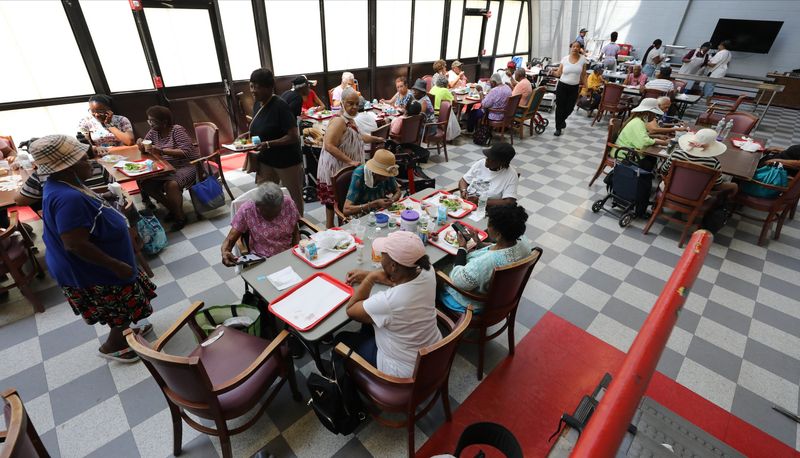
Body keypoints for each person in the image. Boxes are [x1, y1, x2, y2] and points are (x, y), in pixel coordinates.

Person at [31, 135, 156, 363]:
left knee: (118, 307)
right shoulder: (68, 198)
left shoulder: (65, 184)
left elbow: (85, 211)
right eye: (83, 158)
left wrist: (106, 198)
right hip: (92, 269)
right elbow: (75, 243)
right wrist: (115, 265)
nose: (90, 162)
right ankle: (115, 346)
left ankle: (126, 334)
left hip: (98, 264)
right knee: (118, 310)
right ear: (68, 167)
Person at [342, 231, 441, 378]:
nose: (381, 257)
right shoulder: (428, 270)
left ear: (393, 266)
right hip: (432, 352)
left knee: (341, 341)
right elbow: (404, 278)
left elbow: (351, 309)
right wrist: (370, 274)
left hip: (402, 370)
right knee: (369, 324)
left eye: (383, 254)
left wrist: (371, 278)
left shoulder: (388, 302)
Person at [438, 205, 531, 314]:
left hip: (474, 303)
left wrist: (462, 247)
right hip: (504, 296)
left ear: (499, 234)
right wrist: (480, 243)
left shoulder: (486, 263)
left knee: (436, 270)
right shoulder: (524, 243)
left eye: (489, 224)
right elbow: (498, 248)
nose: (488, 226)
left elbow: (458, 281)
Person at [317, 87, 384, 227]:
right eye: (350, 103)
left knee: (344, 200)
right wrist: (350, 161)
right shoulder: (339, 121)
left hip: (346, 166)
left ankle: (345, 227)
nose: (354, 107)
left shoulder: (351, 120)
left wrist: (375, 139)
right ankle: (330, 228)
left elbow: (358, 137)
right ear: (342, 103)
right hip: (336, 167)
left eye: (356, 104)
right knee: (333, 203)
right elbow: (329, 145)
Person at [247, 68, 305, 216]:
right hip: (266, 159)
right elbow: (259, 128)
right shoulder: (257, 104)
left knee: (293, 197)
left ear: (269, 87)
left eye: (257, 87)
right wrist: (244, 137)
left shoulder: (280, 106)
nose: (253, 90)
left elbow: (293, 136)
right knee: (265, 195)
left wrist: (268, 144)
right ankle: (272, 225)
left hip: (287, 160)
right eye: (251, 86)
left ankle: (297, 225)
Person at [134, 106, 198, 231]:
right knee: (146, 184)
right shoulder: (154, 132)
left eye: (153, 121)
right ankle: (174, 209)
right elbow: (146, 147)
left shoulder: (177, 130)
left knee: (171, 185)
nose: (150, 124)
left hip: (186, 165)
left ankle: (180, 217)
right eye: (149, 121)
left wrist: (162, 151)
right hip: (165, 167)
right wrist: (140, 145)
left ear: (164, 122)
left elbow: (185, 152)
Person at [220, 182, 299, 266]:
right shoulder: (248, 210)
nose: (271, 215)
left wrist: (296, 251)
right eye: (266, 212)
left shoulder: (288, 203)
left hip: (288, 253)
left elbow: (295, 230)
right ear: (257, 205)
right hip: (262, 259)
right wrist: (225, 251)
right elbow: (230, 239)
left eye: (275, 211)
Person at [658, 128, 738, 199]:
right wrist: (734, 185)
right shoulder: (713, 162)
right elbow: (717, 185)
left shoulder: (676, 154)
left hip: (669, 189)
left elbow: (664, 170)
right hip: (697, 196)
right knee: (725, 185)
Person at [611, 98, 669, 170]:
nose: (654, 116)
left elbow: (639, 136)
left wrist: (656, 137)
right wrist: (659, 142)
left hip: (627, 151)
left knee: (652, 159)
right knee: (649, 162)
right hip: (625, 154)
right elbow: (643, 142)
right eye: (654, 113)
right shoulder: (638, 123)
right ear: (649, 113)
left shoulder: (638, 120)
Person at [343, 149, 401, 217]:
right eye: (384, 175)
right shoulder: (359, 175)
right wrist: (374, 204)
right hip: (361, 213)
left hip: (380, 210)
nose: (387, 178)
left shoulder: (388, 174)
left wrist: (391, 200)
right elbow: (346, 210)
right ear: (375, 172)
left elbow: (397, 191)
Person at [458, 142, 518, 207]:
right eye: (487, 157)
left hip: (487, 209)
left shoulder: (511, 175)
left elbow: (509, 202)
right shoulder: (481, 163)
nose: (487, 159)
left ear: (502, 163)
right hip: (467, 204)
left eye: (491, 159)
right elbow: (463, 180)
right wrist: (463, 191)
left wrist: (480, 201)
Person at [551, 41, 587, 136]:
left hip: (574, 87)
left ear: (580, 49)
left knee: (570, 108)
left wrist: (586, 87)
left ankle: (562, 120)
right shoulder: (565, 59)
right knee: (560, 107)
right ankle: (558, 128)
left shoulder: (583, 59)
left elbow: (583, 74)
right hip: (562, 86)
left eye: (577, 47)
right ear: (571, 48)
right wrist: (552, 72)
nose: (575, 48)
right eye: (573, 46)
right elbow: (558, 73)